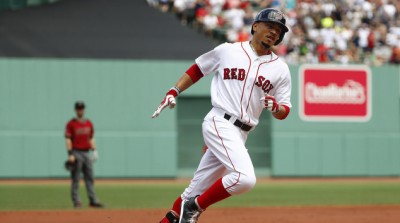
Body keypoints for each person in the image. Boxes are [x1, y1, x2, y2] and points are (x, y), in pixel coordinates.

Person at [152, 8, 292, 223]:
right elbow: (198, 69)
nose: (274, 32)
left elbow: (284, 110)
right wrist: (174, 91)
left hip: (240, 134)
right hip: (220, 121)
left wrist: (276, 108)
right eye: (270, 26)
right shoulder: (228, 50)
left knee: (190, 193)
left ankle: (187, 206)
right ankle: (195, 207)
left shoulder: (280, 69)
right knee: (245, 179)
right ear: (255, 26)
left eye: (279, 30)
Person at [65, 101, 104, 208]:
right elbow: (68, 140)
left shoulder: (88, 123)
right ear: (75, 110)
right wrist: (70, 154)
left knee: (90, 177)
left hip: (87, 153)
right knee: (76, 178)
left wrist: (94, 150)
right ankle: (76, 201)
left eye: (81, 108)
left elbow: (91, 138)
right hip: (76, 152)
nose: (80, 110)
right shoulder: (71, 124)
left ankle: (92, 200)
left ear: (84, 109)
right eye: (78, 108)